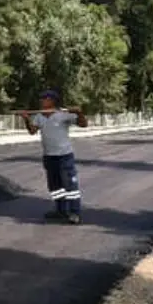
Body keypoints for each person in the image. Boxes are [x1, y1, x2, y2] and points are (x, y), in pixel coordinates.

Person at [22, 90, 88, 225]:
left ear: (53, 100)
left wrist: (79, 112)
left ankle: (75, 213)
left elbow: (83, 124)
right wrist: (26, 119)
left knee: (70, 186)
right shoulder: (39, 116)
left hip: (64, 156)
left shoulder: (63, 115)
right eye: (41, 98)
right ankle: (60, 210)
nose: (42, 100)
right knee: (55, 187)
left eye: (45, 98)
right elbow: (32, 131)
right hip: (49, 157)